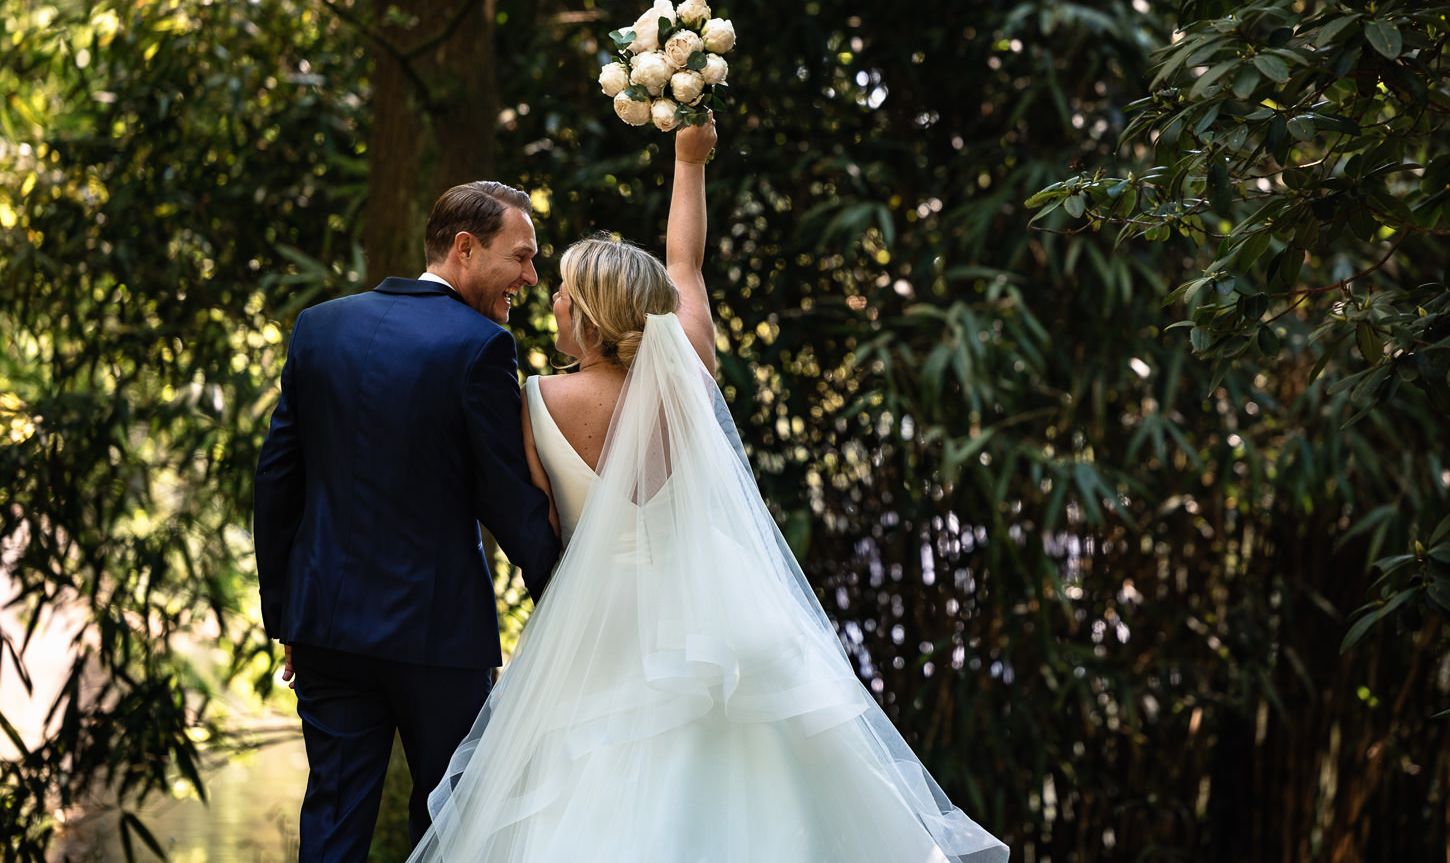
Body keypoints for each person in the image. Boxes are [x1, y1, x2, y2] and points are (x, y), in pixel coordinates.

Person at [405, 120, 1010, 862]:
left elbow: (529, 516)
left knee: (589, 787)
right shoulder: (690, 376)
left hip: (601, 626)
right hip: (716, 610)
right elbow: (683, 263)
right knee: (757, 777)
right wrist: (688, 160)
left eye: (563, 292)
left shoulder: (533, 400)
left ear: (588, 311)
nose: (551, 301)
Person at [254, 181, 563, 862]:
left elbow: (277, 482)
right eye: (520, 257)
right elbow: (508, 500)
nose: (531, 277)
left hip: (327, 629)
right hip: (438, 638)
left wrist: (287, 618)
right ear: (464, 248)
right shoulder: (481, 346)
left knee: (332, 827)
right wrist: (572, 599)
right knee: (449, 830)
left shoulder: (320, 327)